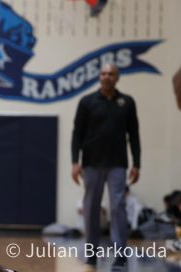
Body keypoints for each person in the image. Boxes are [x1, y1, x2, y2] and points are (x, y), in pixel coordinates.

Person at [71, 63, 141, 270]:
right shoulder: (87, 102)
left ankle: (120, 255)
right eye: (103, 73)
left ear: (117, 77)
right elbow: (77, 134)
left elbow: (134, 135)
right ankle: (91, 254)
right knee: (91, 208)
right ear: (98, 77)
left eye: (111, 74)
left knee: (118, 206)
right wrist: (75, 162)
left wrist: (137, 163)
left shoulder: (127, 102)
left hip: (118, 164)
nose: (107, 77)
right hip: (91, 163)